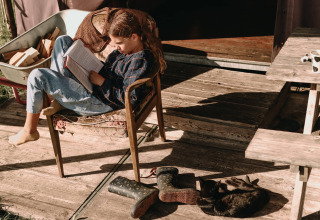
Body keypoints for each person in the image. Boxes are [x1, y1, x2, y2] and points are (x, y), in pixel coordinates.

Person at [8, 9, 166, 146]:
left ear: (134, 37)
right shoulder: (125, 51)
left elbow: (129, 97)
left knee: (37, 76)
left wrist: (101, 82)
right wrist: (87, 55)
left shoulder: (140, 60)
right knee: (63, 41)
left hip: (101, 101)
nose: (116, 47)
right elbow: (109, 70)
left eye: (119, 43)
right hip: (94, 87)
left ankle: (30, 130)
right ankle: (60, 101)